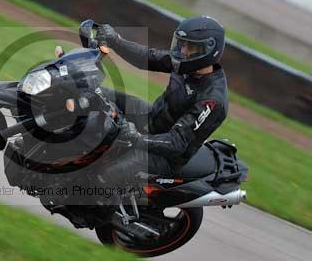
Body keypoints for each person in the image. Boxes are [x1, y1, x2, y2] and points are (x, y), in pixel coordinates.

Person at [94, 16, 229, 198]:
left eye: (190, 47)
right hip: (151, 119)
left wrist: (137, 138)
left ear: (208, 49)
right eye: (181, 43)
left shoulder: (212, 100)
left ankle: (98, 213)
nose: (182, 50)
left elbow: (176, 143)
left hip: (166, 155)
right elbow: (148, 57)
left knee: (105, 175)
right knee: (95, 94)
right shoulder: (185, 63)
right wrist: (116, 41)